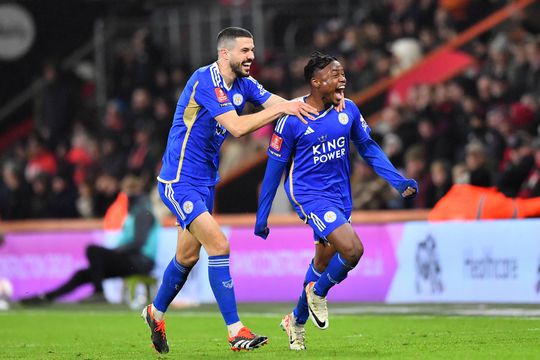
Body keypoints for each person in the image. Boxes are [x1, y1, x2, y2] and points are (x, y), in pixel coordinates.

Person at [142, 27, 320, 354]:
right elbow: (237, 127)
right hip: (179, 179)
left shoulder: (243, 83)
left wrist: (309, 108)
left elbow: (277, 102)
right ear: (225, 53)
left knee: (187, 256)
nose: (252, 56)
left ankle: (154, 313)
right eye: (245, 50)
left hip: (206, 181)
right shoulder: (204, 80)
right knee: (219, 244)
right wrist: (284, 110)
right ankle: (236, 330)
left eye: (252, 50)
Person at [254, 52, 418, 350]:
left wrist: (398, 180)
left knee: (322, 260)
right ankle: (318, 292)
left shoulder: (349, 110)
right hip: (308, 196)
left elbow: (368, 147)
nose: (342, 79)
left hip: (340, 196)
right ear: (317, 83)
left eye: (343, 73)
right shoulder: (292, 119)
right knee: (353, 249)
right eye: (335, 74)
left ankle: (296, 321)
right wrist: (262, 215)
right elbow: (274, 169)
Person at [20, 175, 158, 304]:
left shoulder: (142, 213)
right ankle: (46, 297)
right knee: (83, 274)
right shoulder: (137, 212)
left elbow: (138, 243)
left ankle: (99, 293)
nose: (126, 194)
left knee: (93, 251)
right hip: (133, 259)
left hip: (140, 261)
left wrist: (116, 251)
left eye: (129, 190)